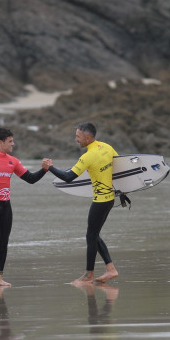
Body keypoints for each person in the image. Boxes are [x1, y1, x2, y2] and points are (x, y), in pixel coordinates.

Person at [0, 127, 51, 287]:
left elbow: (30, 178)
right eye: (10, 141)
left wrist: (44, 170)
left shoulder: (12, 161)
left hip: (6, 206)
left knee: (3, 242)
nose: (13, 144)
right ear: (1, 142)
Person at [48, 122, 120, 284]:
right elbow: (120, 168)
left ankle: (89, 275)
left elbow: (68, 177)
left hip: (100, 200)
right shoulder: (107, 147)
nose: (76, 139)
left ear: (88, 138)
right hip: (110, 198)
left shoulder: (87, 157)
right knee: (93, 234)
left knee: (91, 236)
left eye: (78, 137)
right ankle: (110, 269)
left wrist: (50, 167)